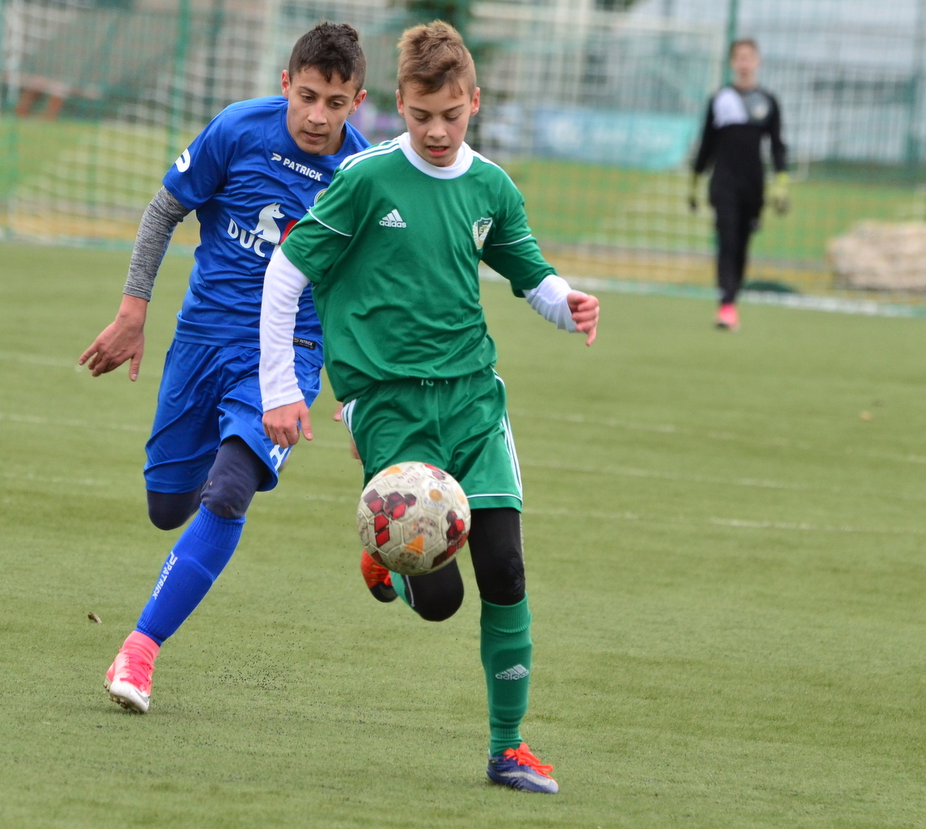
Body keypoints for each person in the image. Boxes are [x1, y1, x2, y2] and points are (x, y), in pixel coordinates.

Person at [259, 21, 599, 793]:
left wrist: (565, 300)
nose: (437, 131)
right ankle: (383, 549)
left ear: (473, 102)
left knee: (506, 567)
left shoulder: (491, 187)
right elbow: (286, 273)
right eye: (421, 116)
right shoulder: (367, 180)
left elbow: (527, 270)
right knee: (441, 600)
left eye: (451, 114)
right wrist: (282, 388)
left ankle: (507, 747)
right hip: (386, 405)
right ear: (399, 108)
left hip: (475, 402)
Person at [79, 23, 369, 715]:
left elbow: (366, 290)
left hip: (286, 359)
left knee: (231, 490)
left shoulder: (362, 176)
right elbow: (164, 212)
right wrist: (132, 311)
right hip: (202, 341)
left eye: (334, 102)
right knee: (165, 507)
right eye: (306, 96)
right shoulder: (237, 131)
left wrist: (357, 391)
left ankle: (140, 649)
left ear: (357, 102)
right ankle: (222, 466)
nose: (318, 115)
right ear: (284, 85)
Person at [689, 38, 788, 331]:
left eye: (749, 58)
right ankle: (726, 304)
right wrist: (694, 183)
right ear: (732, 63)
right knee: (727, 241)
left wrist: (781, 183)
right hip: (723, 182)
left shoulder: (767, 102)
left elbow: (778, 146)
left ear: (757, 62)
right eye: (739, 58)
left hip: (753, 185)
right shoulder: (720, 99)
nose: (744, 63)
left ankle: (732, 300)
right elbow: (706, 144)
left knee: (742, 245)